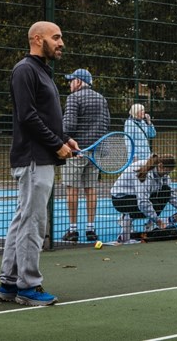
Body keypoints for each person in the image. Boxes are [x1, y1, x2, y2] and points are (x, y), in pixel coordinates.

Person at [0, 21, 79, 307]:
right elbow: (27, 117)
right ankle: (28, 286)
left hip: (40, 156)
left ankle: (9, 283)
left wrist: (65, 138)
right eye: (56, 37)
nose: (61, 42)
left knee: (23, 219)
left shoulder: (42, 71)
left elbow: (45, 115)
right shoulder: (25, 70)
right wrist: (56, 144)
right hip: (34, 158)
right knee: (33, 222)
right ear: (37, 38)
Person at [60, 68, 110, 242]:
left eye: (71, 80)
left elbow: (68, 125)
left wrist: (66, 140)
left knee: (72, 189)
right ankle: (91, 228)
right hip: (94, 151)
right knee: (91, 189)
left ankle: (73, 230)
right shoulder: (102, 99)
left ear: (79, 82)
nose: (69, 83)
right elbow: (106, 123)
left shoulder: (74, 97)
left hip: (76, 150)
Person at [111, 154, 177, 243]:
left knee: (166, 191)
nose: (167, 175)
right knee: (144, 207)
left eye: (168, 173)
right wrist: (158, 221)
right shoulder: (144, 174)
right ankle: (125, 224)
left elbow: (170, 192)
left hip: (136, 195)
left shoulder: (162, 173)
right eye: (166, 172)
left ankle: (149, 225)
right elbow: (143, 202)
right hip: (121, 200)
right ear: (160, 166)